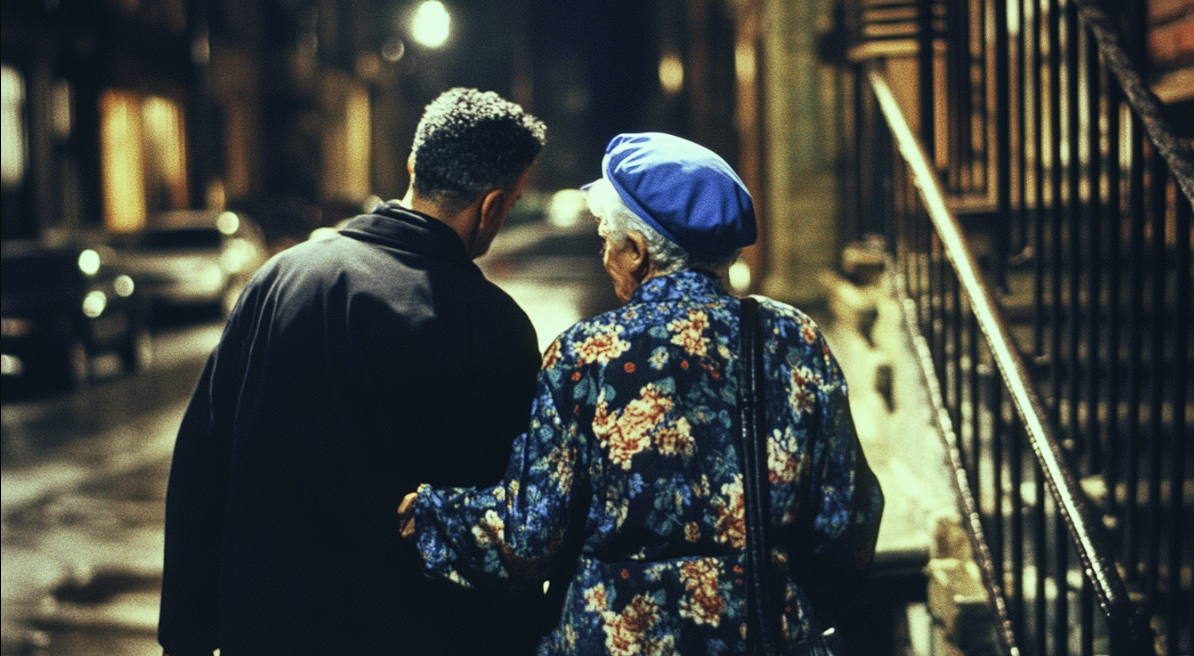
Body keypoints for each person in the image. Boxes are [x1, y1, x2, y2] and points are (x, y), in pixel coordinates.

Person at [399, 132, 885, 655]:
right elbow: (848, 522)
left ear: (634, 252)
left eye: (607, 240)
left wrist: (428, 515)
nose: (606, 254)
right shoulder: (794, 339)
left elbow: (529, 538)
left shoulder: (588, 355)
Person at [159, 88, 549, 656]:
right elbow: (505, 523)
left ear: (413, 167)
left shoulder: (279, 281)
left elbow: (201, 462)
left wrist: (185, 638)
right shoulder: (494, 326)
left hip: (267, 631)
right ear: (492, 206)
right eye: (510, 203)